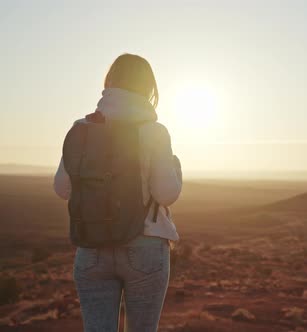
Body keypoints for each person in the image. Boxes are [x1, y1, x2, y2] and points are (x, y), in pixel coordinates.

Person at [53, 53, 182, 332]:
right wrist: (176, 168)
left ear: (109, 82)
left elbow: (61, 188)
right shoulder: (154, 132)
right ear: (148, 87)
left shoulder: (82, 128)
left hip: (92, 248)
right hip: (145, 247)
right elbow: (166, 193)